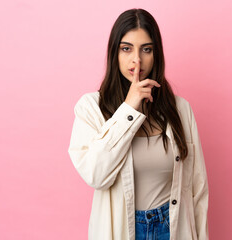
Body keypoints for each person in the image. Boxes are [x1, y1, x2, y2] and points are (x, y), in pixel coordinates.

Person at [68, 8, 209, 240]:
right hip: (123, 230)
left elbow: (198, 188)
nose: (137, 59)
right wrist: (129, 109)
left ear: (156, 54)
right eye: (126, 49)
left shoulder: (180, 109)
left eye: (146, 49)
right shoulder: (90, 107)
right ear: (115, 53)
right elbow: (96, 175)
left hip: (172, 228)